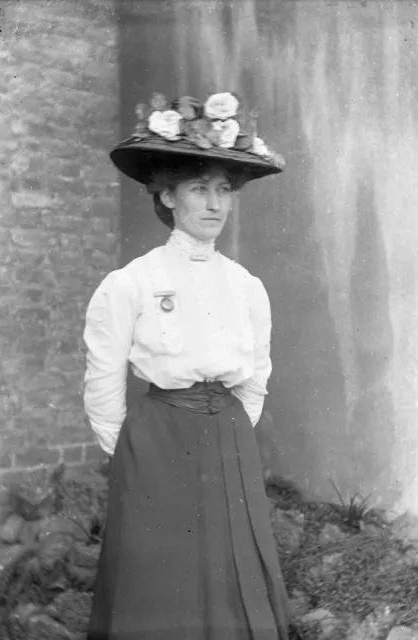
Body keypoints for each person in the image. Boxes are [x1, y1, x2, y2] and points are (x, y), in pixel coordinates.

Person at [84, 91, 289, 640]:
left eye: (223, 189)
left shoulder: (246, 287)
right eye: (199, 188)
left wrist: (228, 429)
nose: (214, 203)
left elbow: (257, 373)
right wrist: (133, 449)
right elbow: (103, 379)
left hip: (227, 438)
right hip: (156, 441)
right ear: (167, 195)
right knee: (157, 576)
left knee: (229, 567)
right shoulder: (131, 284)